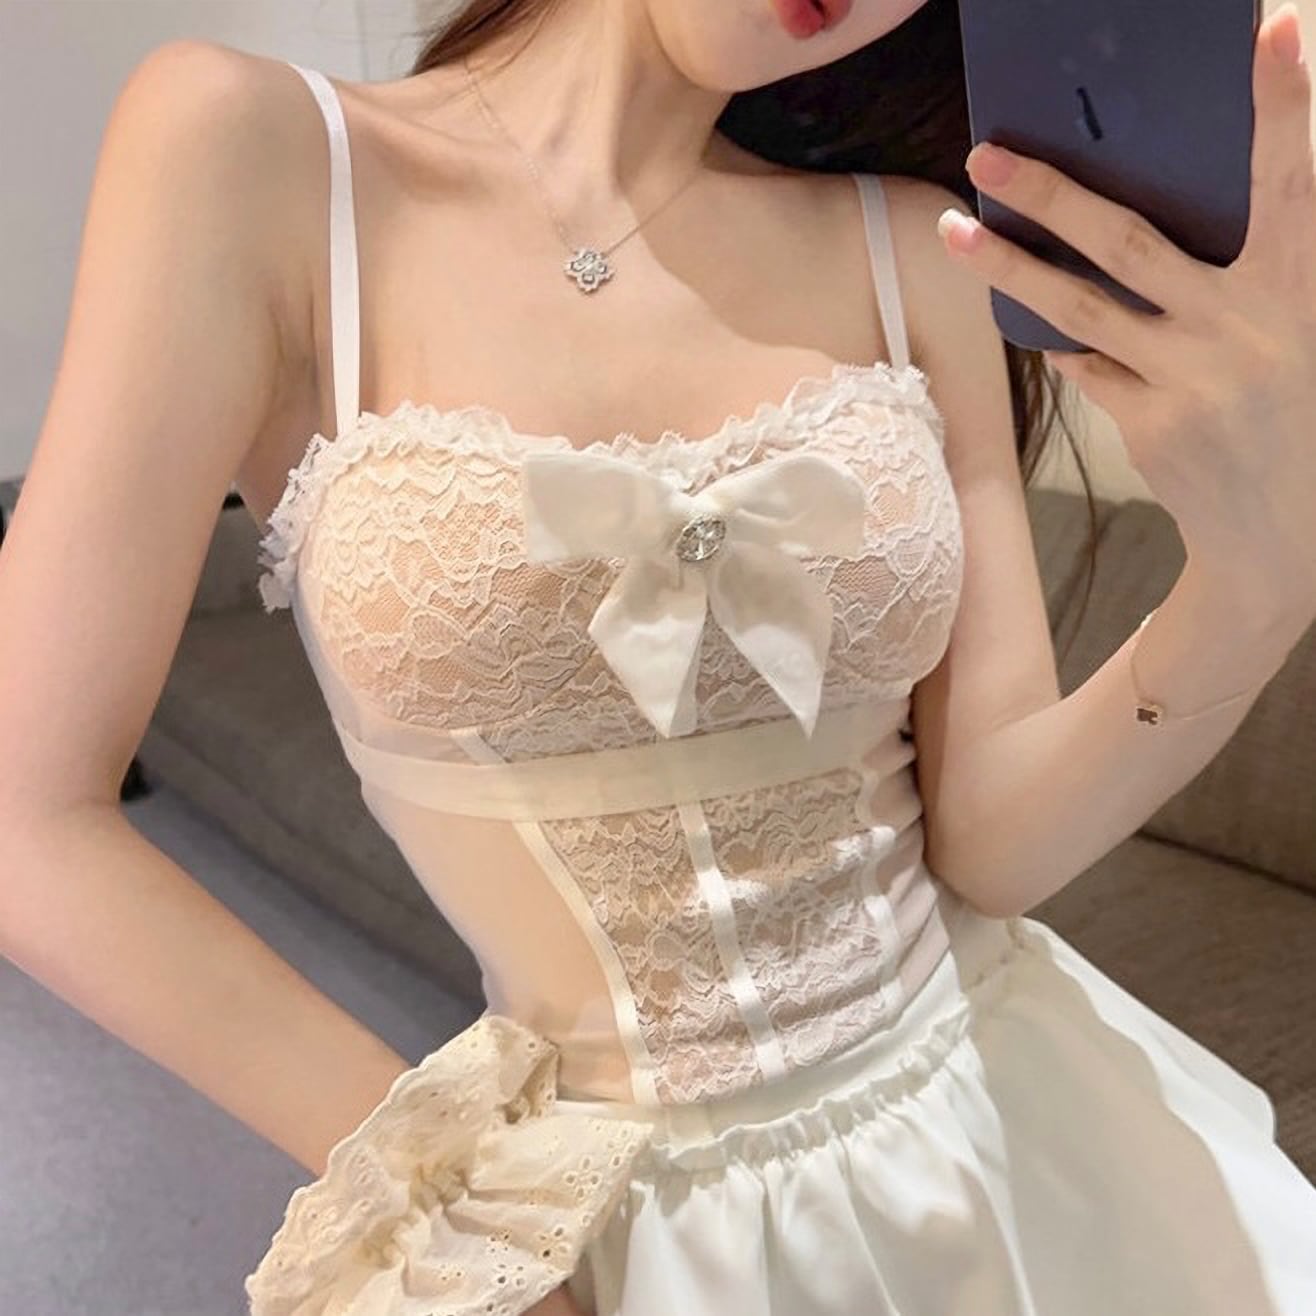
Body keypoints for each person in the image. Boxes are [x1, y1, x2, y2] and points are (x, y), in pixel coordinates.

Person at [1, 0, 1314, 1313]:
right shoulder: (260, 157)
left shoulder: (915, 245)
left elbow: (993, 847)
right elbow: (31, 814)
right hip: (601, 1228)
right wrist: (434, 1204)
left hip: (1000, 1131)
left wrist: (1256, 589)